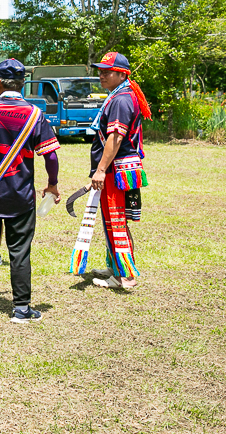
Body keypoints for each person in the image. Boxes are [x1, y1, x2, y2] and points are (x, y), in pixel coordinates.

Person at [0, 59, 60, 323]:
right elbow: (50, 156)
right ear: (23, 83)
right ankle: (21, 309)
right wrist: (52, 183)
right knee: (19, 250)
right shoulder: (35, 114)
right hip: (20, 194)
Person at [88, 52, 151, 290]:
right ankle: (116, 266)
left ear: (122, 74)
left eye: (107, 71)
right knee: (112, 220)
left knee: (116, 221)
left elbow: (115, 137)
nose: (101, 74)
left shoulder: (121, 100)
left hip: (116, 170)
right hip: (120, 169)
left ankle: (125, 276)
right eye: (100, 70)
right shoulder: (120, 95)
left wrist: (101, 169)